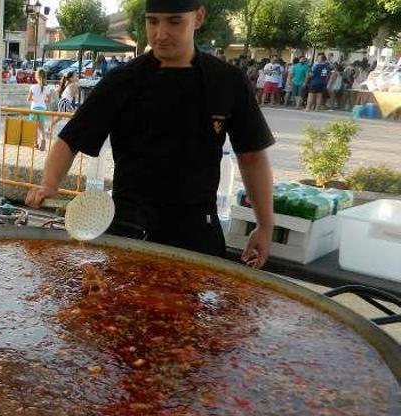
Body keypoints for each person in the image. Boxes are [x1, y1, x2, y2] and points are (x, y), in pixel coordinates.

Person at [25, 0, 276, 268]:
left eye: (174, 21)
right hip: (129, 226)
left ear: (198, 17)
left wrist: (265, 225)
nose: (160, 33)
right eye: (153, 21)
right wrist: (49, 183)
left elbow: (252, 156)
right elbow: (70, 139)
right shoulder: (122, 80)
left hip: (197, 229)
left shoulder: (227, 81)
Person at [28, 68, 52, 151]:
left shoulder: (33, 87)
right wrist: (43, 99)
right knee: (41, 128)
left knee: (34, 127)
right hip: (42, 108)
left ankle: (35, 143)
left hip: (34, 108)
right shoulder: (47, 88)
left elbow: (29, 99)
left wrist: (35, 98)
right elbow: (49, 100)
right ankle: (43, 140)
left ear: (36, 77)